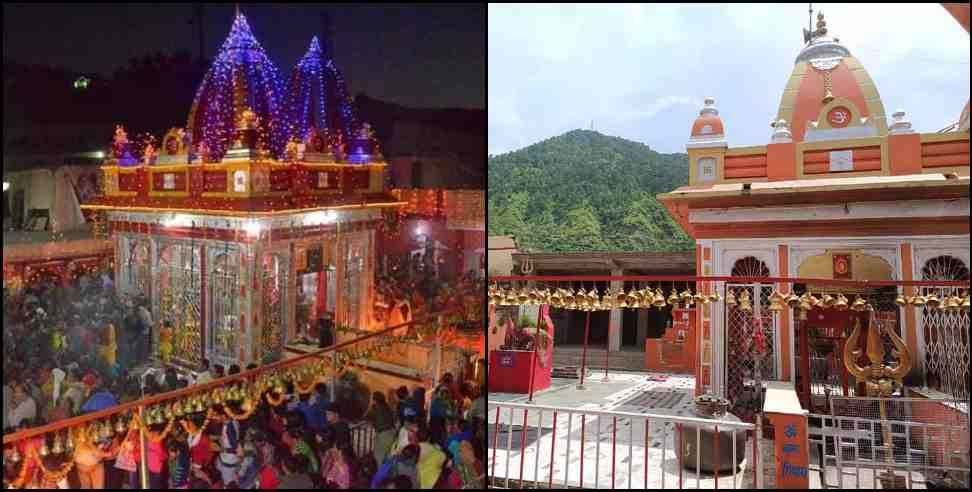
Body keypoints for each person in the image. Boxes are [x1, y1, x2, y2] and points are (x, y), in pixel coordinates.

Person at [365, 391, 396, 467]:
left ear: (374, 399)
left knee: (378, 457)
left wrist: (369, 406)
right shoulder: (387, 406)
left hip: (383, 434)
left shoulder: (375, 408)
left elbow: (366, 417)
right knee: (387, 456)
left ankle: (377, 476)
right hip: (391, 432)